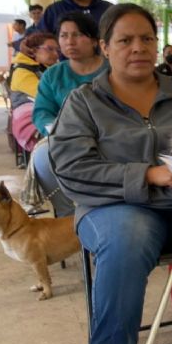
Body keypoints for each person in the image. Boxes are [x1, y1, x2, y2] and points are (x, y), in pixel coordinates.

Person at [48, 3, 172, 344]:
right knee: (127, 237)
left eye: (146, 38)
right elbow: (71, 171)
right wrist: (147, 174)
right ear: (105, 47)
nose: (138, 47)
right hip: (113, 209)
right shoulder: (84, 103)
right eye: (125, 40)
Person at [32, 12, 108, 217]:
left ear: (94, 40)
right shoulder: (53, 75)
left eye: (77, 35)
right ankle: (66, 216)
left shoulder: (113, 70)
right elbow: (42, 112)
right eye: (64, 36)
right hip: (66, 137)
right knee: (42, 156)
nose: (69, 41)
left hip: (110, 136)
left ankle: (105, 210)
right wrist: (56, 131)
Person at [7, 33, 59, 152]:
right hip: (29, 123)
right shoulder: (21, 72)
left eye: (57, 50)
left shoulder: (45, 68)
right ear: (33, 51)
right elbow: (48, 97)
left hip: (49, 115)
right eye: (50, 49)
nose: (56, 54)